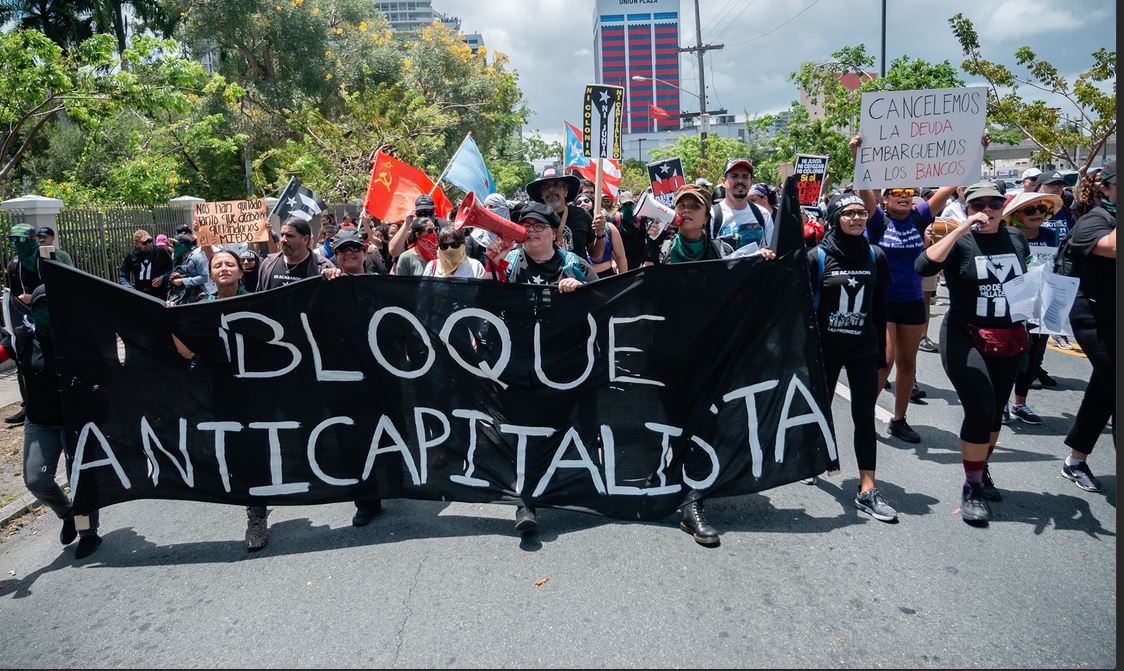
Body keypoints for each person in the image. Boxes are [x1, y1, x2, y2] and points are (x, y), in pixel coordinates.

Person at [644, 184, 776, 544]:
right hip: (670, 351)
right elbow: (641, 290)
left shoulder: (723, 250)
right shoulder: (664, 250)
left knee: (704, 423)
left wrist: (760, 264)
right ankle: (680, 484)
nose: (687, 210)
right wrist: (652, 245)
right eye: (681, 205)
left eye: (695, 206)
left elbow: (744, 291)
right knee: (675, 422)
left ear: (707, 215)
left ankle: (692, 502)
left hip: (712, 352)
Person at [916, 181, 1031, 525]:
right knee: (980, 408)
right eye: (978, 204)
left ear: (1003, 206)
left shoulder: (1015, 239)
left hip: (1008, 336)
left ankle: (981, 470)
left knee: (995, 413)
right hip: (964, 335)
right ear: (966, 208)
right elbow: (924, 267)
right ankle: (971, 488)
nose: (987, 209)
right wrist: (962, 228)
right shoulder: (959, 240)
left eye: (994, 203)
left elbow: (1027, 283)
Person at [483, 201, 598, 533]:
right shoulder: (508, 264)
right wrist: (491, 260)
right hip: (523, 366)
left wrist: (582, 292)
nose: (529, 230)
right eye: (525, 225)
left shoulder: (577, 267)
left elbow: (605, 304)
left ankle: (571, 484)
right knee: (527, 433)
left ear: (554, 233)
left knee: (571, 429)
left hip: (567, 366)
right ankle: (525, 502)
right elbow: (487, 301)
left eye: (538, 226)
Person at [858, 148, 962, 442]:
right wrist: (858, 155)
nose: (905, 195)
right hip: (884, 302)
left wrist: (974, 150)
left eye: (909, 191)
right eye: (897, 191)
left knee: (908, 364)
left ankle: (899, 419)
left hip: (913, 301)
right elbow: (865, 188)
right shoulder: (878, 221)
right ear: (885, 199)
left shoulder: (918, 217)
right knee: (885, 361)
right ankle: (864, 413)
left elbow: (949, 186)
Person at [809, 193, 895, 521]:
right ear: (835, 219)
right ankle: (814, 458)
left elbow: (880, 306)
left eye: (862, 213)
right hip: (825, 349)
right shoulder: (816, 257)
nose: (858, 218)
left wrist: (884, 346)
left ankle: (867, 487)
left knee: (863, 415)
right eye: (849, 213)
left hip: (862, 347)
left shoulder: (876, 256)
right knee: (821, 409)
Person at [17, 284, 103, 558]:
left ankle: (88, 532)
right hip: (40, 420)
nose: (45, 312)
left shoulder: (78, 339)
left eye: (50, 306)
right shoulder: (23, 340)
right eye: (39, 307)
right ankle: (67, 514)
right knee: (36, 480)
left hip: (75, 421)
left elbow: (104, 374)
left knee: (80, 477)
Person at [1057, 160, 1115, 493]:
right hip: (1092, 318)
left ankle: (1075, 461)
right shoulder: (1094, 221)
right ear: (1105, 187)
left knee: (1104, 390)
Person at [999, 190, 1065, 425]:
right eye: (1030, 210)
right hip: (1013, 303)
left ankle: (1020, 403)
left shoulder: (1051, 235)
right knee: (1010, 355)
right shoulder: (1007, 236)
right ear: (1015, 215)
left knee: (1033, 355)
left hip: (1042, 304)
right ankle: (1002, 403)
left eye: (1042, 209)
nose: (1037, 213)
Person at [525, 164, 600, 261]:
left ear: (566, 191)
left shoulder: (582, 214)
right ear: (541, 195)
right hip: (545, 275)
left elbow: (596, 256)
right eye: (546, 187)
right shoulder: (533, 220)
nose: (551, 189)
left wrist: (600, 234)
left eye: (556, 185)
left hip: (579, 275)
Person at [256, 218, 335, 292]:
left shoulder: (323, 267)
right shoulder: (268, 264)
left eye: (289, 236)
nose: (283, 239)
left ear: (305, 240)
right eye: (282, 235)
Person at [712, 158, 773, 250]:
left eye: (745, 177)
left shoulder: (763, 215)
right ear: (723, 182)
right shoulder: (712, 215)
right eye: (734, 176)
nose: (740, 181)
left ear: (751, 182)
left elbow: (770, 251)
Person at [119, 228, 173, 300]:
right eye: (144, 242)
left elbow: (172, 269)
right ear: (136, 243)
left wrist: (163, 278)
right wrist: (129, 289)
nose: (148, 244)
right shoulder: (132, 256)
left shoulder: (160, 252)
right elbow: (123, 275)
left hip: (160, 294)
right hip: (141, 294)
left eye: (150, 241)